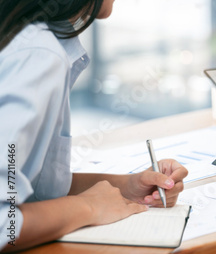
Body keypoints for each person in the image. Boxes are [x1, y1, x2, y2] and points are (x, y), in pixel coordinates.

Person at [0, 0, 188, 251]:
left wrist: (126, 189)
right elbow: (5, 225)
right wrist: (89, 207)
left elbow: (36, 187)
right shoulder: (38, 54)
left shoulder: (27, 37)